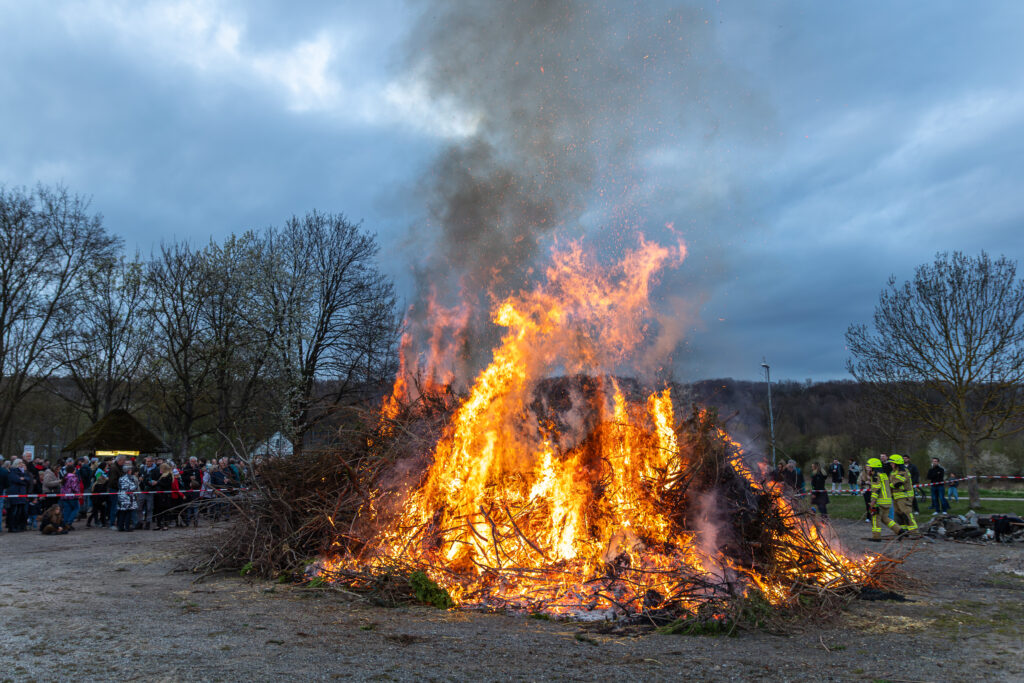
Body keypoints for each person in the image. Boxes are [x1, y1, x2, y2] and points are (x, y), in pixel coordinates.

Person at [867, 458, 901, 541]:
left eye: (869, 467)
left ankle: (876, 537)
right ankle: (899, 530)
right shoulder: (884, 475)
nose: (868, 468)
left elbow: (876, 489)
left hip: (880, 501)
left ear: (873, 467)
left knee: (875, 518)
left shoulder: (875, 475)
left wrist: (873, 501)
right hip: (888, 501)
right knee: (885, 519)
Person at [888, 454, 917, 534]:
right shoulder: (893, 472)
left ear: (897, 463)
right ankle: (904, 530)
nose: (891, 464)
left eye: (892, 463)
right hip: (896, 496)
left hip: (905, 496)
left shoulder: (903, 471)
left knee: (906, 512)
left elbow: (897, 483)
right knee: (898, 513)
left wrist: (887, 486)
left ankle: (914, 531)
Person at [5, 459, 31, 532]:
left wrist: (23, 479)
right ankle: (12, 527)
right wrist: (23, 480)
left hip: (21, 494)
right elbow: (16, 480)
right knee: (14, 511)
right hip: (15, 493)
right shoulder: (12, 471)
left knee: (19, 512)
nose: (21, 464)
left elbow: (28, 479)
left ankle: (17, 526)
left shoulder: (23, 472)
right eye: (20, 463)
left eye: (22, 463)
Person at [115, 462, 139, 532]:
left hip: (121, 496)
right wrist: (136, 485)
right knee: (128, 512)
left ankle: (120, 526)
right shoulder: (129, 478)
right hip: (127, 497)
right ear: (128, 471)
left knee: (122, 512)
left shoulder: (121, 478)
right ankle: (127, 527)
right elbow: (131, 488)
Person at [59, 465, 83, 530]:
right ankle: (69, 523)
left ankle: (65, 523)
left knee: (67, 510)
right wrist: (78, 493)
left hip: (64, 496)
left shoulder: (65, 476)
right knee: (76, 508)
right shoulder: (73, 477)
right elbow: (74, 487)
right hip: (72, 496)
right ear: (73, 470)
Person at [87, 462, 109, 528]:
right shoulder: (99, 474)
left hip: (98, 496)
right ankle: (100, 522)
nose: (107, 467)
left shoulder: (101, 474)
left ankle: (100, 522)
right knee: (98, 510)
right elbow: (99, 480)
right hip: (98, 497)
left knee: (98, 510)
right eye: (106, 466)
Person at [107, 455, 126, 530]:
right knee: (114, 507)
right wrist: (121, 486)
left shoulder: (117, 467)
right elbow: (113, 481)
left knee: (116, 506)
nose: (124, 462)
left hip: (117, 489)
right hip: (114, 490)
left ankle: (117, 522)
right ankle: (112, 523)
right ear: (119, 460)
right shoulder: (114, 468)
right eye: (123, 461)